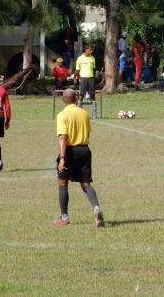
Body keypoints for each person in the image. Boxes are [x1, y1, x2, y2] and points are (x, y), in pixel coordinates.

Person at [54, 88, 105, 227]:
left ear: (63, 100)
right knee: (86, 184)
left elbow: (63, 137)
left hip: (69, 151)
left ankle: (64, 217)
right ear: (76, 100)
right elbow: (87, 133)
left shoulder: (62, 115)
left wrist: (62, 157)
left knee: (62, 182)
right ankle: (96, 208)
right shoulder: (85, 113)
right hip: (84, 150)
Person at [74, 45, 97, 119]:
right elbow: (77, 70)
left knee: (93, 95)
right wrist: (76, 78)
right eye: (90, 50)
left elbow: (93, 69)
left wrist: (94, 78)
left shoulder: (93, 58)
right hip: (83, 79)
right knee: (81, 96)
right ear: (86, 50)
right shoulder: (80, 58)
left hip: (91, 78)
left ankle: (94, 115)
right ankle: (78, 115)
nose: (91, 51)